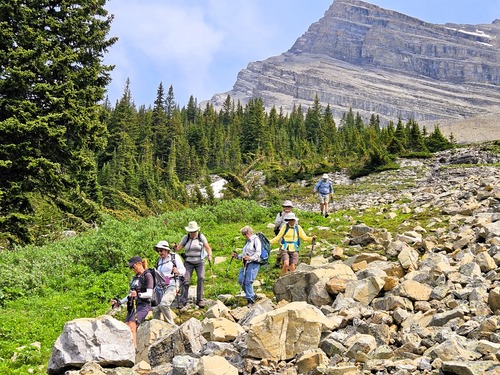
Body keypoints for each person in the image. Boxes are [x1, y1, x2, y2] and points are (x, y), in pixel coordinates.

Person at [111, 256, 153, 348]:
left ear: (139, 264)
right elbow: (130, 294)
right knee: (125, 327)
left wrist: (138, 294)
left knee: (131, 326)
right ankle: (126, 350)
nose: (132, 269)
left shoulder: (147, 275)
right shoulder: (135, 278)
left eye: (133, 267)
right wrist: (119, 302)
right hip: (132, 306)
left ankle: (134, 350)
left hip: (143, 306)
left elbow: (150, 293)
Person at [174, 221, 213, 309]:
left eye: (193, 231)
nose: (192, 233)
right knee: (185, 280)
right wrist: (175, 247)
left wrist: (210, 255)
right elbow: (178, 248)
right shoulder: (186, 238)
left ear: (196, 230)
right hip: (188, 262)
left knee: (201, 278)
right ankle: (183, 300)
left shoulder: (200, 237)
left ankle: (200, 300)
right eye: (190, 232)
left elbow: (208, 248)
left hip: (200, 261)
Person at [153, 240, 186, 325]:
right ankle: (155, 327)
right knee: (155, 308)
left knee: (164, 304)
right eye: (158, 251)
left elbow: (183, 270)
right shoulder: (159, 261)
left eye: (161, 250)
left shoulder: (174, 257)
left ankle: (171, 326)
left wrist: (177, 271)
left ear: (167, 250)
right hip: (161, 286)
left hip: (172, 283)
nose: (159, 253)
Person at [232, 226, 261, 306]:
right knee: (241, 280)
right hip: (245, 263)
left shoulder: (256, 240)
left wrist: (250, 258)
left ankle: (250, 300)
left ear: (249, 232)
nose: (244, 236)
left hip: (254, 263)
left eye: (245, 234)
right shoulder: (247, 242)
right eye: (243, 234)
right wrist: (237, 256)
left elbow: (258, 253)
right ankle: (252, 295)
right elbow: (244, 254)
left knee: (248, 281)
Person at [273, 200, 294, 268]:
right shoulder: (279, 214)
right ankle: (279, 262)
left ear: (291, 207)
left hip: (290, 233)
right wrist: (282, 217)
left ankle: (284, 263)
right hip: (281, 233)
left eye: (288, 207)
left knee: (289, 249)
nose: (287, 208)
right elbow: (276, 224)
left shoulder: (293, 215)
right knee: (282, 247)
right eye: (285, 207)